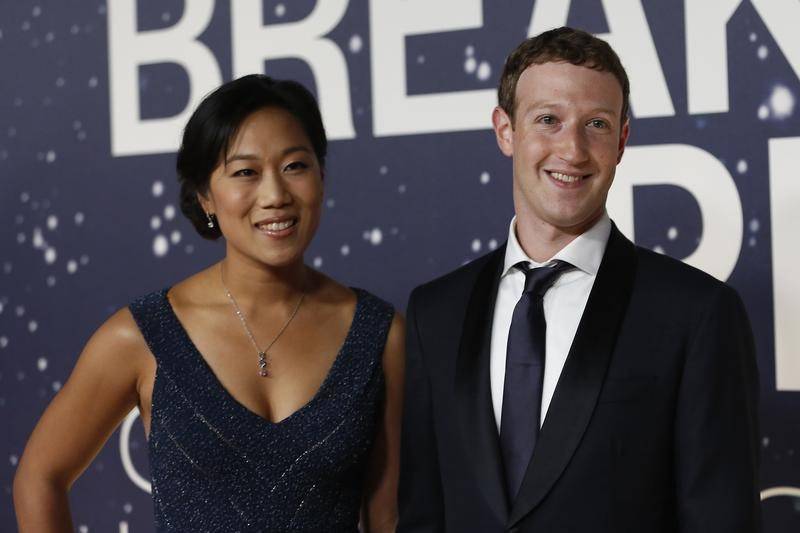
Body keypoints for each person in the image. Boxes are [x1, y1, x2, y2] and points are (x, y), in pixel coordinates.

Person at [398, 27, 759, 533]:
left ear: (622, 140)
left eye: (596, 124)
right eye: (548, 119)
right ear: (506, 130)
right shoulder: (435, 313)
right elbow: (423, 515)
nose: (572, 149)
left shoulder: (696, 314)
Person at [13, 75, 404, 532]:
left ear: (322, 176)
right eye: (245, 172)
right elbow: (39, 477)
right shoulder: (143, 336)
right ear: (205, 197)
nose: (275, 195)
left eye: (295, 166)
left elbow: (387, 517)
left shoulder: (379, 335)